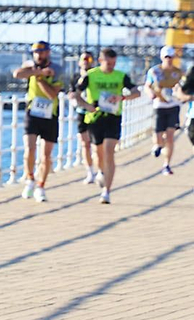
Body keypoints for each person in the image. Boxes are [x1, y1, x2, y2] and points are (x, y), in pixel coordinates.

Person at [72, 47, 139, 204]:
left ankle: (106, 192)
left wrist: (122, 97)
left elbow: (137, 92)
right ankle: (101, 171)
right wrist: (86, 105)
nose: (111, 66)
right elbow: (75, 93)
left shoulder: (121, 76)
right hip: (95, 118)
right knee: (98, 152)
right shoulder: (91, 75)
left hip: (113, 117)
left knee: (109, 151)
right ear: (101, 61)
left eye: (114, 63)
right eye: (108, 63)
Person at [13, 41, 64, 203]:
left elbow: (52, 95)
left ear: (48, 52)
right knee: (29, 147)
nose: (38, 55)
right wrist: (37, 72)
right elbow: (17, 74)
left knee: (46, 154)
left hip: (50, 113)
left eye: (41, 52)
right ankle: (29, 179)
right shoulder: (30, 66)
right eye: (35, 52)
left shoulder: (58, 70)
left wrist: (40, 79)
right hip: (32, 112)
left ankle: (41, 186)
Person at [144, 45, 181, 175]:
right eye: (166, 57)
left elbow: (184, 87)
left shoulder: (179, 73)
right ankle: (159, 145)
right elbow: (147, 86)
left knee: (170, 136)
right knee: (158, 137)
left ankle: (167, 165)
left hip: (173, 106)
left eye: (171, 57)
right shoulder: (154, 71)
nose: (169, 60)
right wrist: (150, 94)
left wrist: (180, 92)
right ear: (162, 57)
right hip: (159, 106)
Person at [73, 52, 100, 185]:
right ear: (79, 62)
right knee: (85, 143)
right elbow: (71, 92)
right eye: (83, 59)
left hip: (95, 112)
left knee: (96, 143)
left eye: (89, 59)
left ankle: (99, 169)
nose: (86, 61)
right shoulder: (76, 77)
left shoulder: (97, 75)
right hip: (81, 112)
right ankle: (90, 172)